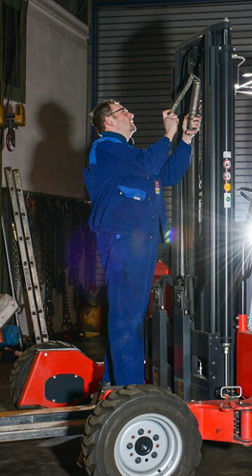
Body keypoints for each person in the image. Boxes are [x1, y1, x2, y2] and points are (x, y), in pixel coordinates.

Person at [84, 100, 200, 386]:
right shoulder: (106, 147)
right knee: (128, 318)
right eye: (123, 111)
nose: (131, 113)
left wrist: (185, 138)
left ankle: (117, 387)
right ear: (108, 122)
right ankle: (129, 391)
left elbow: (169, 173)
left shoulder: (130, 156)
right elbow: (149, 162)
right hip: (123, 240)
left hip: (141, 241)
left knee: (130, 314)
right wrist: (168, 134)